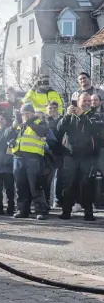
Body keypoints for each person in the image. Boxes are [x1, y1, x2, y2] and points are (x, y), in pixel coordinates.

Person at [56, 93, 100, 221]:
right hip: (71, 156)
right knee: (69, 185)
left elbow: (94, 130)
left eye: (88, 100)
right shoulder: (70, 115)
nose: (87, 103)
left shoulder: (94, 115)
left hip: (87, 157)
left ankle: (89, 212)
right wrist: (66, 115)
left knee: (87, 185)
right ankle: (66, 211)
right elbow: (59, 129)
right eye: (84, 100)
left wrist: (81, 116)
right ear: (78, 101)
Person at [5, 103, 50, 220]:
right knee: (20, 186)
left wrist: (29, 122)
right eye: (23, 114)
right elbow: (7, 135)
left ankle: (41, 210)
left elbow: (43, 132)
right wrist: (15, 123)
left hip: (33, 158)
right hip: (18, 158)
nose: (25, 116)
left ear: (33, 113)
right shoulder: (19, 125)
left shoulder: (40, 122)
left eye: (27, 113)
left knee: (35, 186)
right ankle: (22, 209)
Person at [44, 101, 64, 208]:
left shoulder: (62, 119)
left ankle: (57, 200)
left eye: (54, 108)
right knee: (47, 177)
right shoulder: (44, 121)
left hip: (60, 152)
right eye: (50, 108)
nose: (52, 110)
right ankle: (46, 200)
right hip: (48, 153)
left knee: (59, 177)